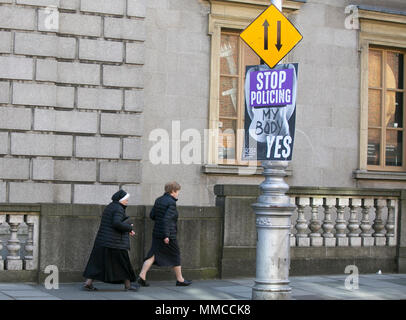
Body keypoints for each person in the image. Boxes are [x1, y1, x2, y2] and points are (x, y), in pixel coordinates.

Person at [136, 182, 192, 287]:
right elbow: (167, 220)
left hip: (157, 232)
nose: (178, 194)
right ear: (173, 191)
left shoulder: (159, 200)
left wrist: (160, 222)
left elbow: (152, 215)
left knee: (153, 254)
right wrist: (166, 235)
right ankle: (180, 280)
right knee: (175, 254)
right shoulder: (171, 202)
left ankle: (142, 276)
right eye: (178, 191)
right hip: (168, 234)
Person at [83, 189, 139, 291]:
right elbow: (116, 223)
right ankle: (128, 285)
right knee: (124, 264)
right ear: (120, 199)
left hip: (104, 241)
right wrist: (129, 228)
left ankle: (88, 283)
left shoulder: (110, 206)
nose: (127, 201)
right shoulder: (118, 208)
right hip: (115, 242)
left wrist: (127, 228)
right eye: (126, 199)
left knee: (98, 263)